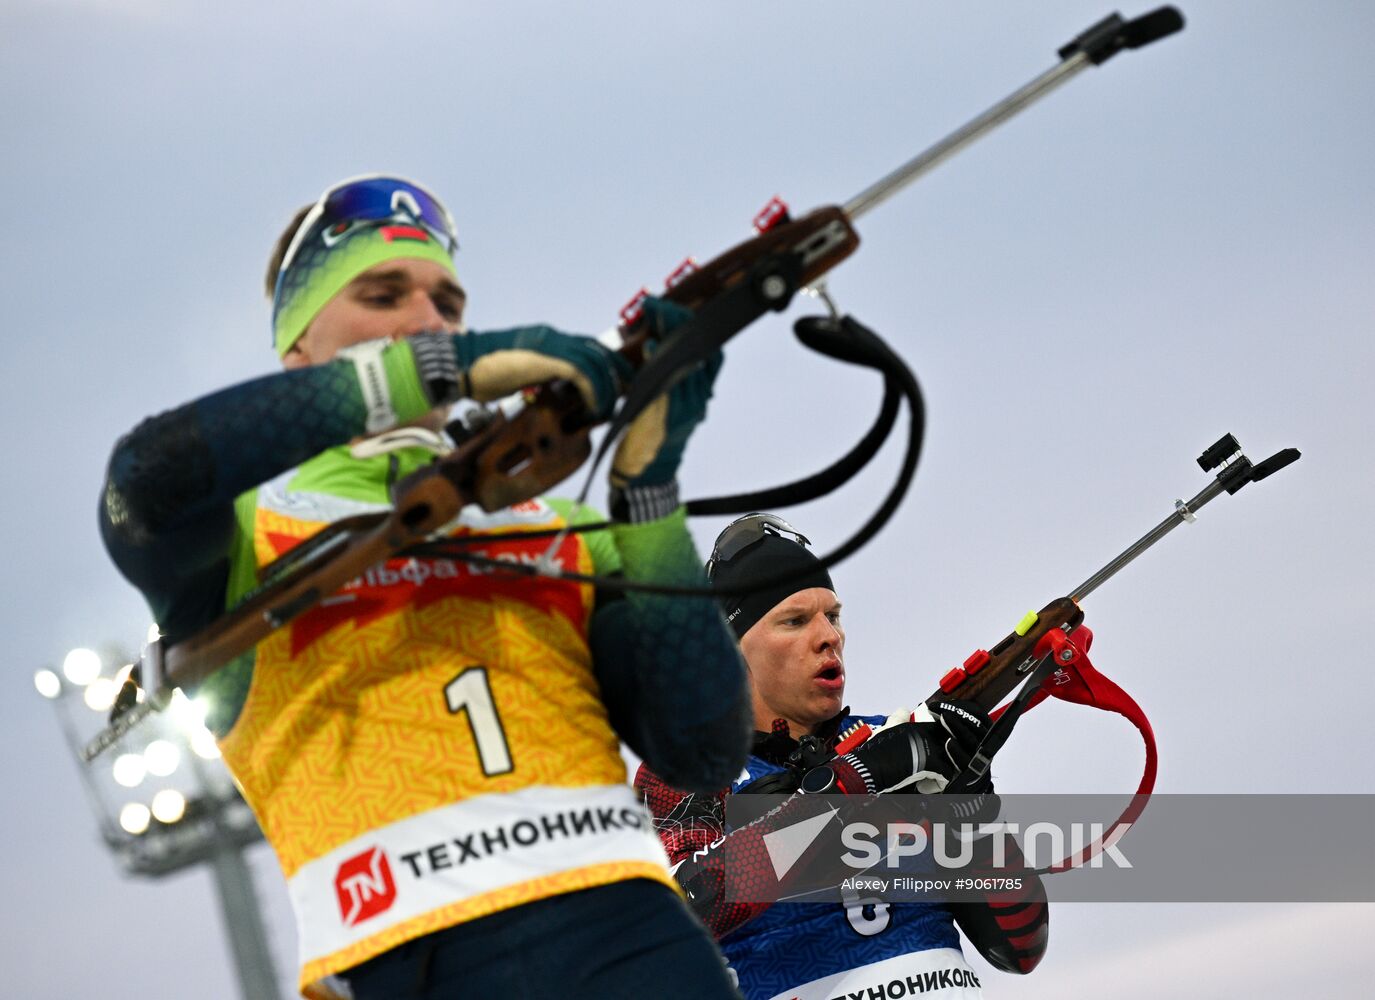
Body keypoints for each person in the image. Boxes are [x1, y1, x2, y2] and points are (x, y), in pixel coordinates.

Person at [99, 175, 752, 1000]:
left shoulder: (557, 522)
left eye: (448, 304)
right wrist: (448, 366)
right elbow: (143, 482)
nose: (425, 320)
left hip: (631, 939)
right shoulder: (245, 529)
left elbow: (702, 748)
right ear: (297, 348)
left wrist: (648, 493)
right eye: (382, 295)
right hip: (398, 955)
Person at [635, 513, 1050, 1000]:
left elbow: (1021, 948)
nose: (829, 636)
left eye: (831, 616)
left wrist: (972, 806)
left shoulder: (893, 739)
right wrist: (851, 787)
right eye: (794, 620)